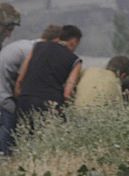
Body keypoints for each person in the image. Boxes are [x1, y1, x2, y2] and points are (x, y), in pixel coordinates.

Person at [0, 24, 61, 154]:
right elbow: (22, 80)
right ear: (56, 41)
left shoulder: (26, 45)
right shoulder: (35, 51)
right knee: (9, 127)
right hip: (4, 94)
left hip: (4, 88)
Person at [15, 25, 82, 116]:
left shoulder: (38, 46)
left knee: (23, 129)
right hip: (50, 103)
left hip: (26, 99)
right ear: (74, 41)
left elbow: (21, 75)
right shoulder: (75, 61)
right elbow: (67, 92)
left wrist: (19, 94)